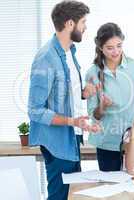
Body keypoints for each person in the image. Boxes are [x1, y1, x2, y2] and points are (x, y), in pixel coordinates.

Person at [27, 1, 100, 199]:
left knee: (72, 194)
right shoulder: (46, 58)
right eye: (83, 22)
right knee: (60, 195)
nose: (85, 27)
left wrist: (85, 93)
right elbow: (35, 110)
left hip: (71, 136)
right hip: (57, 141)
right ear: (69, 23)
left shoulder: (70, 52)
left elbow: (64, 94)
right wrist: (71, 121)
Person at [85, 23, 134, 171]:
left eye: (119, 46)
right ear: (100, 47)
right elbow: (94, 115)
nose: (115, 51)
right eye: (109, 48)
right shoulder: (92, 73)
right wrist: (103, 106)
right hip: (106, 141)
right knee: (110, 188)